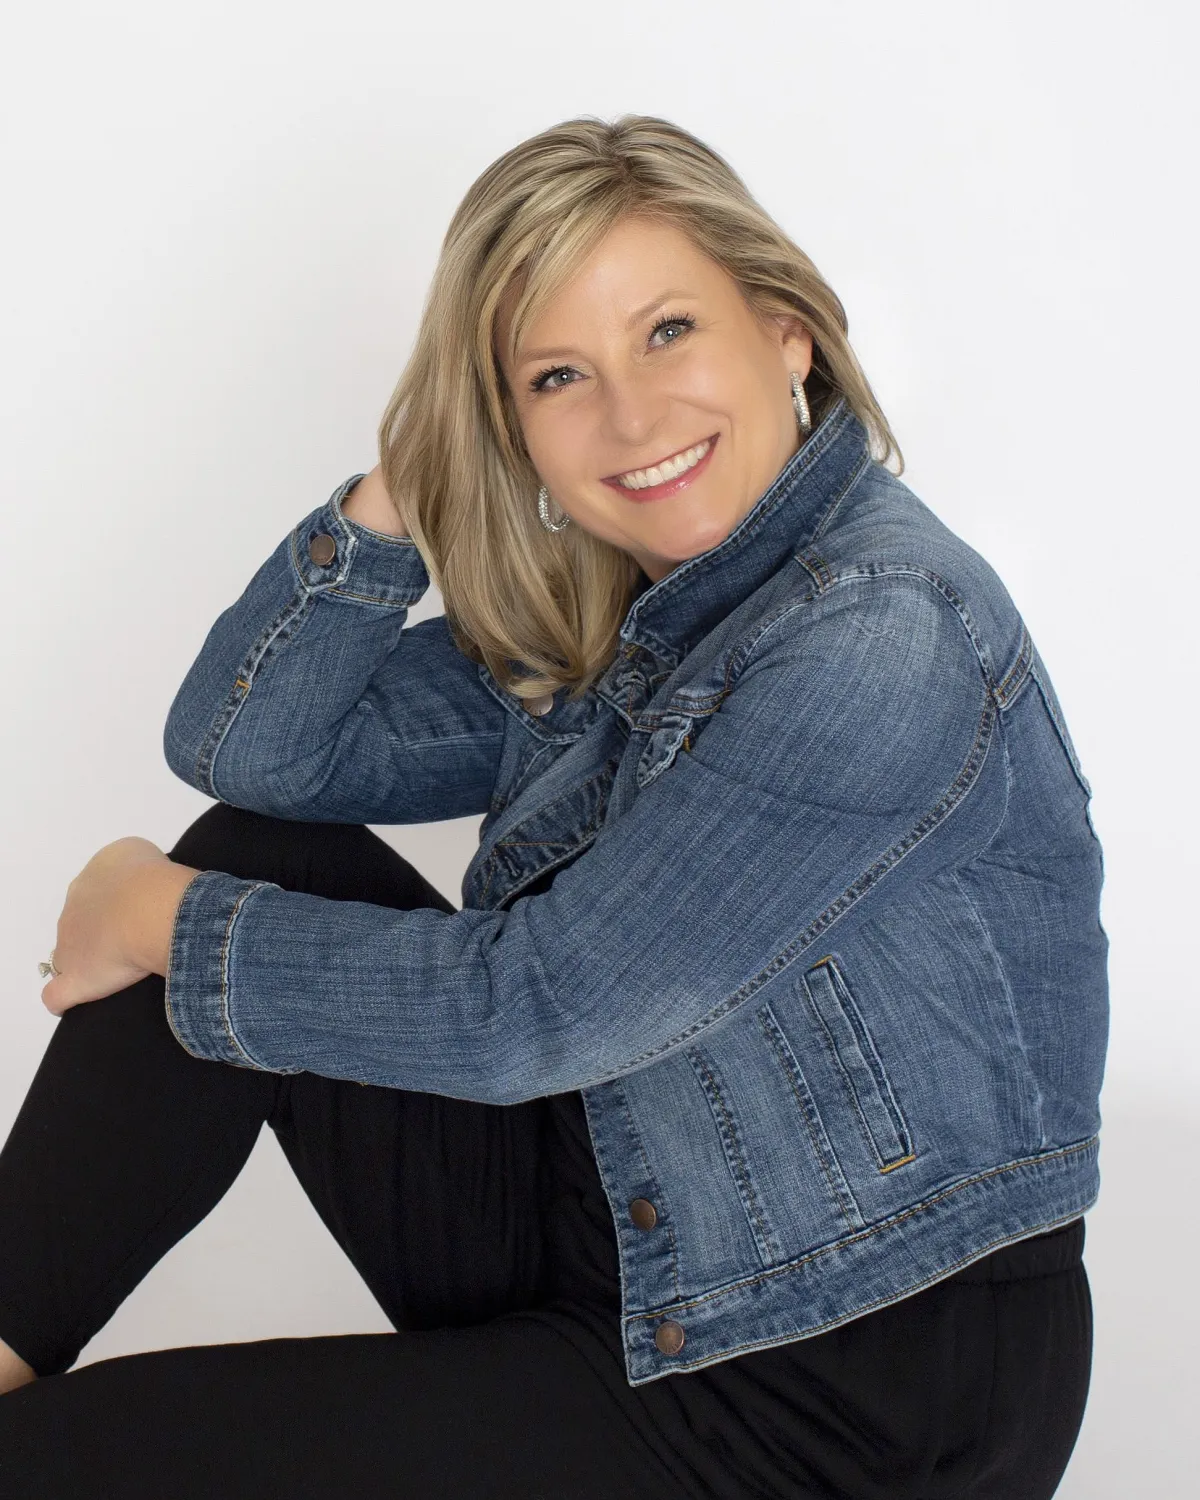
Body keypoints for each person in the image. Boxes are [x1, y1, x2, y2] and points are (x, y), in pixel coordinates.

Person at [0, 114, 1104, 1498]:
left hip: (834, 1389)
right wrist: (413, 478)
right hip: (638, 1230)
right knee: (267, 853)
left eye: (668, 333)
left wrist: (164, 921)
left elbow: (543, 1009)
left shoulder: (884, 633)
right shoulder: (630, 606)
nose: (631, 420)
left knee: (53, 1466)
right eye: (557, 376)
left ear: (786, 333)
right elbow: (257, 753)